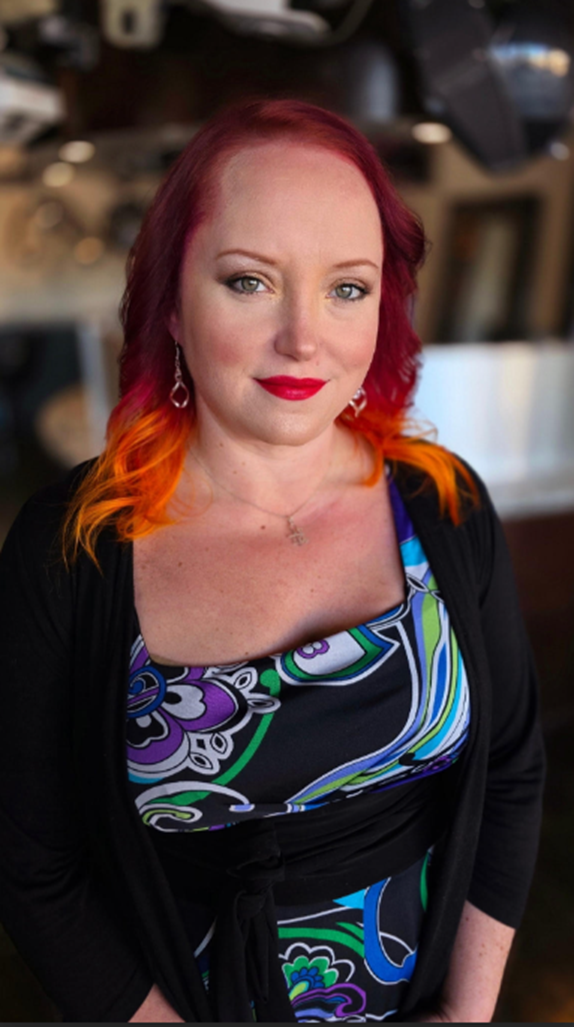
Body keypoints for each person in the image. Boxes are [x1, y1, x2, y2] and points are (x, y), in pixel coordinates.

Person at [0, 98, 545, 1024]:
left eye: (347, 288)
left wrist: (467, 1014)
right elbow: (31, 862)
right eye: (250, 282)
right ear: (170, 299)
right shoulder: (71, 548)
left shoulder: (441, 501)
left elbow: (511, 766)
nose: (305, 338)